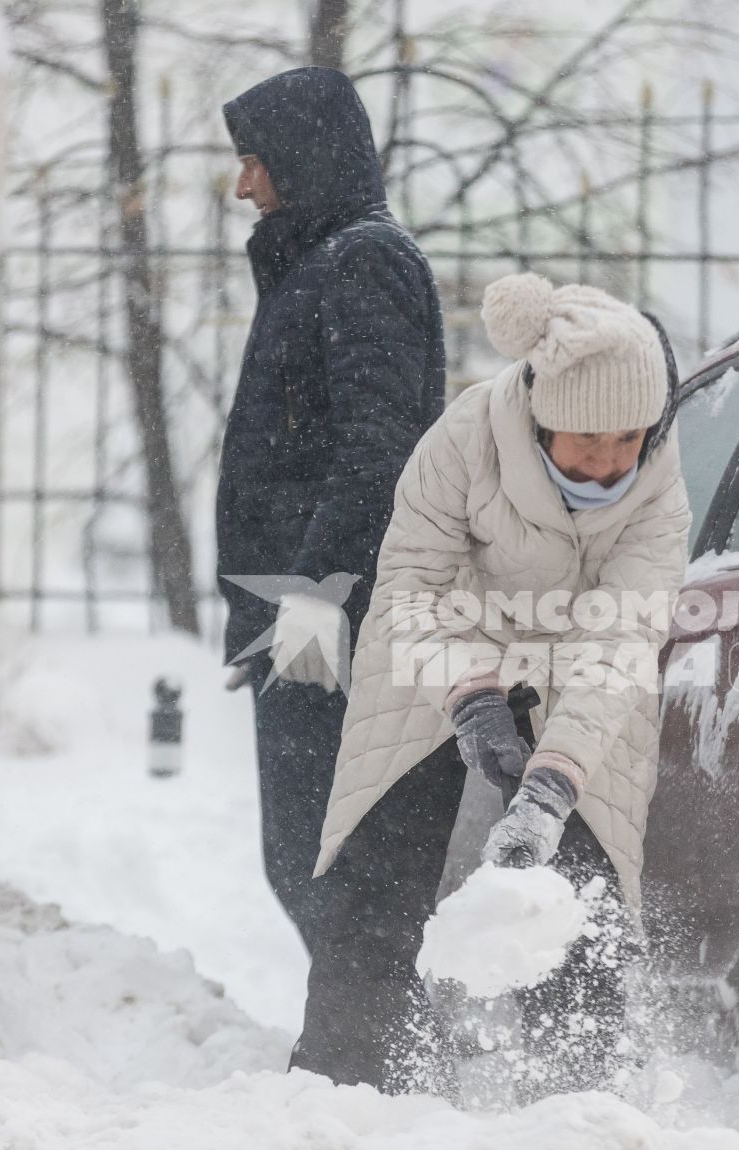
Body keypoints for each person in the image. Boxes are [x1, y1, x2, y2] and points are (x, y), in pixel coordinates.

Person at [292, 273, 691, 1096]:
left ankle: (578, 1093)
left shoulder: (657, 484)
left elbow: (622, 641)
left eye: (631, 438)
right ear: (541, 414)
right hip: (441, 647)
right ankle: (345, 1081)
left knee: (584, 881)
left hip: (580, 667)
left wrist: (551, 786)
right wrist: (472, 699)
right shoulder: (465, 438)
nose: (611, 462)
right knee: (382, 866)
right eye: (588, 439)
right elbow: (409, 590)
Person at [215, 68, 446, 959]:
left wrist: (315, 595)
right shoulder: (320, 262)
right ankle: (362, 1055)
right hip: (296, 608)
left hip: (330, 613)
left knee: (332, 862)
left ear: (298, 158)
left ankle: (366, 1063)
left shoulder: (363, 262)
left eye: (254, 161)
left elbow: (378, 451)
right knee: (309, 858)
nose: (243, 185)